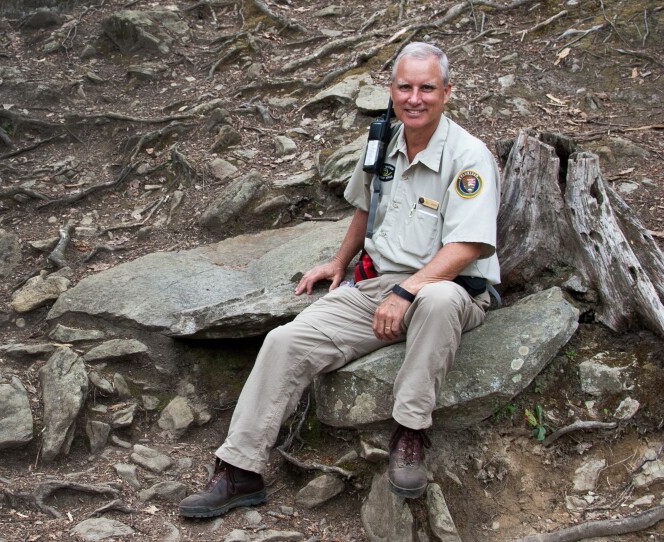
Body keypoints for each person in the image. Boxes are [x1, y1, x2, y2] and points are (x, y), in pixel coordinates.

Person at [179, 42, 501, 518]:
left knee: (436, 302)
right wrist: (338, 261)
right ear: (391, 90)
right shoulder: (384, 142)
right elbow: (367, 207)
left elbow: (468, 247)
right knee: (285, 341)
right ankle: (240, 470)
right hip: (377, 287)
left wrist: (406, 291)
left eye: (427, 88)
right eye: (405, 87)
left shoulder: (469, 156)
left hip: (448, 287)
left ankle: (410, 434)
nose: (414, 98)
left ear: (447, 92)